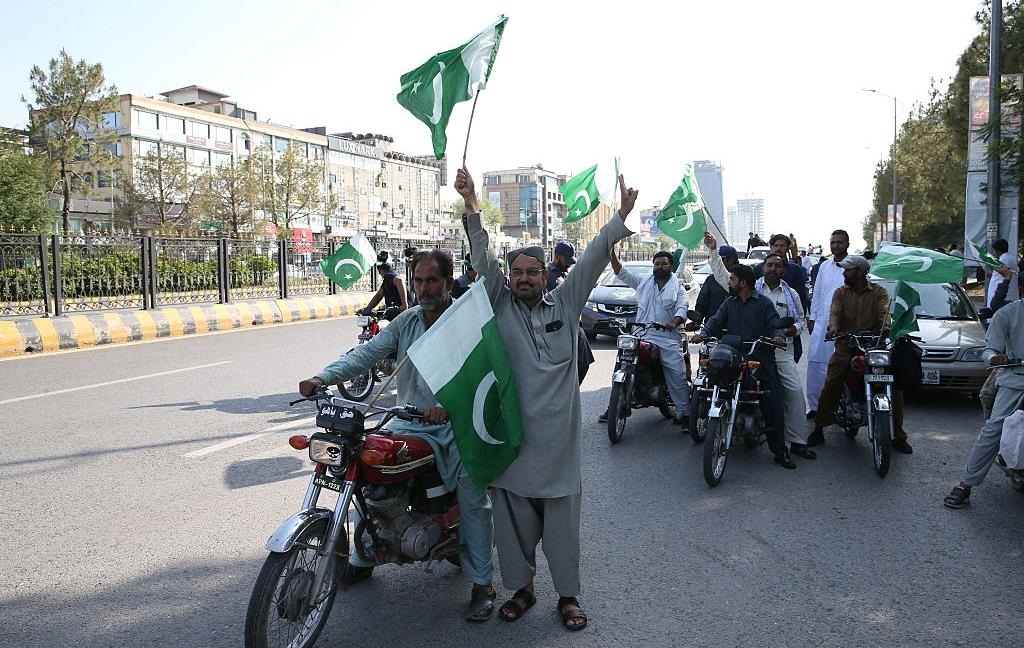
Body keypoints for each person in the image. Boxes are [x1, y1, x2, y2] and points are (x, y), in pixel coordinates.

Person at [457, 166, 636, 631]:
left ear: (544, 275)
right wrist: (474, 204)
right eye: (515, 272)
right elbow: (482, 260)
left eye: (530, 271)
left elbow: (595, 257)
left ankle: (568, 596)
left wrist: (619, 217)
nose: (522, 278)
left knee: (561, 529)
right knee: (512, 526)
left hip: (558, 448)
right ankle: (522, 591)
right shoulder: (500, 304)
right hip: (513, 443)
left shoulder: (566, 302)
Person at [297, 249, 497, 622]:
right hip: (407, 421)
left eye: (431, 280)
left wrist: (450, 407)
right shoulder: (408, 321)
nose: (423, 288)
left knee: (473, 497)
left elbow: (482, 375)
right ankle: (363, 555)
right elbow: (368, 354)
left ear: (448, 282)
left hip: (456, 426)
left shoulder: (465, 322)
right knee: (363, 473)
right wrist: (323, 377)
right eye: (418, 281)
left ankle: (482, 584)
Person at [690, 263, 795, 469]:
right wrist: (702, 333)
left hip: (759, 357)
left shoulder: (764, 304)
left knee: (773, 400)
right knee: (710, 381)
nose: (729, 283)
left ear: (743, 283)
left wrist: (778, 337)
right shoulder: (729, 302)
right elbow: (715, 321)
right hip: (732, 354)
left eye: (732, 279)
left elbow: (775, 325)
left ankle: (780, 451)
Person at [807, 255, 913, 453]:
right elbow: (835, 314)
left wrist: (887, 328)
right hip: (847, 344)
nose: (844, 273)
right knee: (832, 381)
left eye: (848, 270)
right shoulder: (840, 293)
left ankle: (898, 436)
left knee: (894, 385)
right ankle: (820, 427)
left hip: (874, 345)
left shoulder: (879, 292)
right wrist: (833, 329)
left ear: (860, 272)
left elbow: (884, 314)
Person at [943, 293, 1024, 508]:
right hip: (1015, 379)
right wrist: (994, 358)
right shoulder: (1007, 314)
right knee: (994, 429)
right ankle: (965, 485)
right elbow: (990, 349)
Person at [607, 246, 690, 425]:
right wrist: (611, 251)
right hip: (642, 334)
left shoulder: (678, 287)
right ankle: (615, 404)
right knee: (622, 360)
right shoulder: (644, 282)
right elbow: (621, 272)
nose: (660, 266)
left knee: (676, 373)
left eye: (664, 264)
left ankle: (684, 413)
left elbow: (682, 307)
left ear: (670, 266)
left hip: (667, 336)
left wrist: (674, 322)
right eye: (657, 263)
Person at [757, 253, 814, 459]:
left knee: (795, 392)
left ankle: (798, 442)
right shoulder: (751, 290)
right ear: (763, 267)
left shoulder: (791, 294)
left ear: (784, 270)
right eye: (769, 265)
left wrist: (791, 331)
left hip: (781, 352)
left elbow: (800, 320)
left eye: (777, 266)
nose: (773, 269)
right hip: (755, 351)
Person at [806, 230, 851, 420]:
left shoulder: (853, 267)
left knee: (841, 368)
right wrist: (813, 318)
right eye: (833, 242)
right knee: (816, 367)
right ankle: (815, 408)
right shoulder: (824, 266)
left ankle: (843, 406)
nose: (836, 246)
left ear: (847, 244)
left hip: (845, 326)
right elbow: (817, 294)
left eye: (840, 242)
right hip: (822, 323)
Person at [753, 234, 810, 310]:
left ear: (787, 248)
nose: (778, 248)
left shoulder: (795, 270)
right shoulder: (759, 268)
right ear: (771, 248)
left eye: (782, 246)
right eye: (776, 246)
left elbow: (802, 296)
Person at [692, 240, 737, 326]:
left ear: (731, 260)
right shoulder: (711, 280)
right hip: (713, 329)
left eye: (721, 259)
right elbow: (702, 303)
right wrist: (696, 321)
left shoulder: (743, 278)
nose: (717, 262)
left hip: (736, 329)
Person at [359, 251, 408, 320]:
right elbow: (379, 295)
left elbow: (400, 281)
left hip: (402, 314)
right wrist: (368, 308)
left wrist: (404, 305)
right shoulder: (387, 279)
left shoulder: (389, 275)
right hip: (395, 313)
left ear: (379, 270)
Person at [986, 239, 1016, 310]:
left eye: (994, 250)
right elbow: (999, 276)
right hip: (1011, 292)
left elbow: (998, 279)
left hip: (1000, 293)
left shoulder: (1000, 261)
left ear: (996, 250)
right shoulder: (1012, 259)